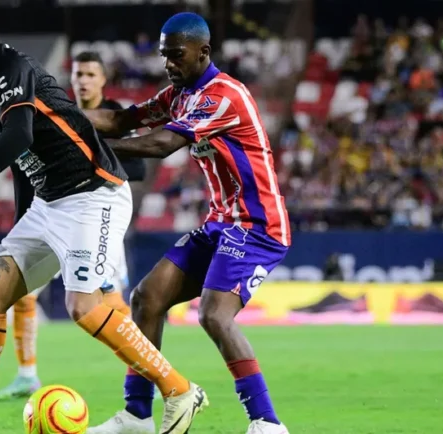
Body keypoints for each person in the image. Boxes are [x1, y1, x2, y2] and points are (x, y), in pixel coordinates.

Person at [0, 10, 208, 434]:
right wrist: (20, 223)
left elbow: (19, 137)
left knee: (83, 307)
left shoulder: (5, 65)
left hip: (92, 193)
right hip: (48, 204)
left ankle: (179, 390)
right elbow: (22, 160)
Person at [84, 12, 291, 434]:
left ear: (204, 52)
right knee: (147, 298)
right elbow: (122, 120)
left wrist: (90, 154)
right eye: (164, 57)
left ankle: (267, 423)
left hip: (257, 226)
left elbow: (162, 145)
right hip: (221, 223)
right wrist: (60, 119)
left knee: (215, 315)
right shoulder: (180, 94)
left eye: (176, 56)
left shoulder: (222, 96)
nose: (168, 65)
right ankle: (137, 414)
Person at [0, 50, 146, 402]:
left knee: (108, 303)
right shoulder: (57, 109)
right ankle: (27, 374)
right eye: (78, 74)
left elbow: (137, 170)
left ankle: (142, 374)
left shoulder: (115, 114)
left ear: (103, 79)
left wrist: (94, 154)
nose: (83, 80)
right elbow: (25, 167)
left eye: (91, 74)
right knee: (23, 294)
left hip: (97, 215)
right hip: (52, 213)